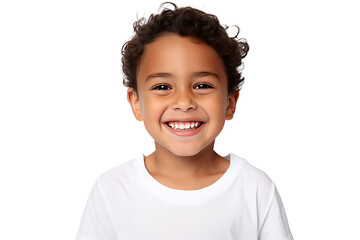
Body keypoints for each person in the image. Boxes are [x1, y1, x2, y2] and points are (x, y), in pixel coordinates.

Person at [76, 2, 293, 240]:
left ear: (229, 102)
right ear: (136, 103)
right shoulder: (112, 190)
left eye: (202, 86)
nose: (183, 101)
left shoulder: (255, 189)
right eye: (162, 87)